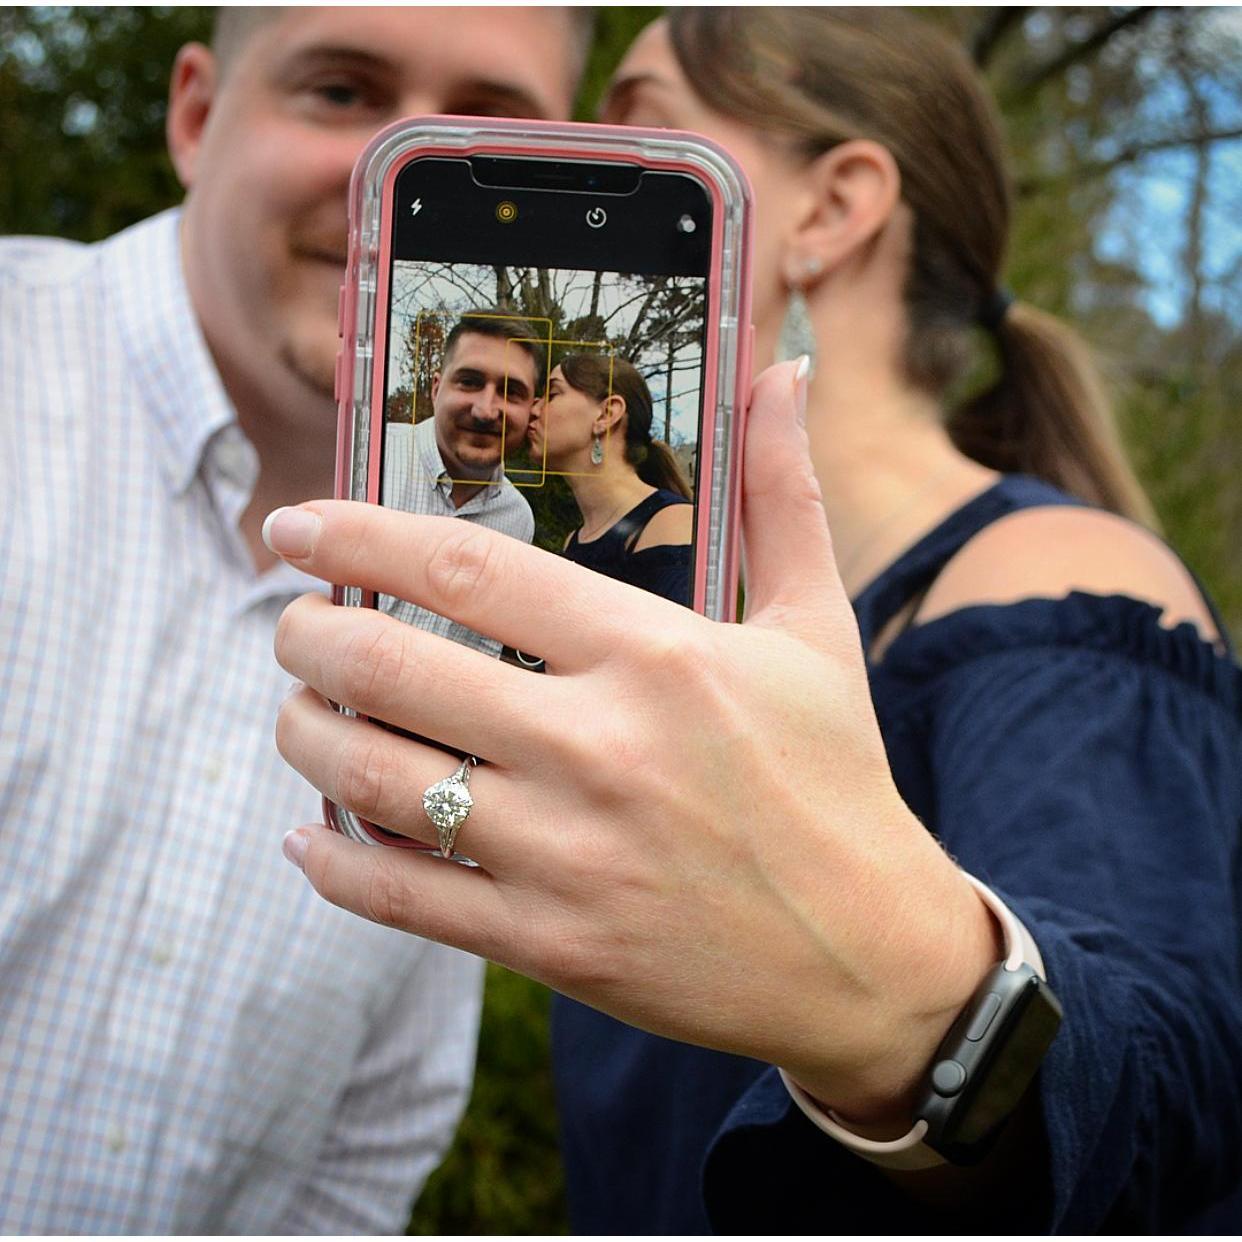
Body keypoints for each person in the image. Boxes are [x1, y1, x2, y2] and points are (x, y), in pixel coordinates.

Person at [266, 7, 1242, 1234]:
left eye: (641, 119)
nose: (579, 139)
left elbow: (1179, 1091)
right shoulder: (694, 625)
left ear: (834, 210)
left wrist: (909, 1007)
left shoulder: (1055, 590)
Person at [0, 6, 589, 1233]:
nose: (399, 189)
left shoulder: (515, 585)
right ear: (197, 116)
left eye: (483, 131)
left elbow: (378, 1131)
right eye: (340, 91)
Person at [382, 311, 542, 654]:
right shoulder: (372, 457)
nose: (486, 410)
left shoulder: (517, 520)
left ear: (531, 410)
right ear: (436, 388)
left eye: (511, 392)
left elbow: (484, 648)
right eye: (469, 382)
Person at [529, 352, 693, 603]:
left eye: (553, 395)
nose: (534, 409)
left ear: (607, 414)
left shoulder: (671, 524)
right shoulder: (575, 541)